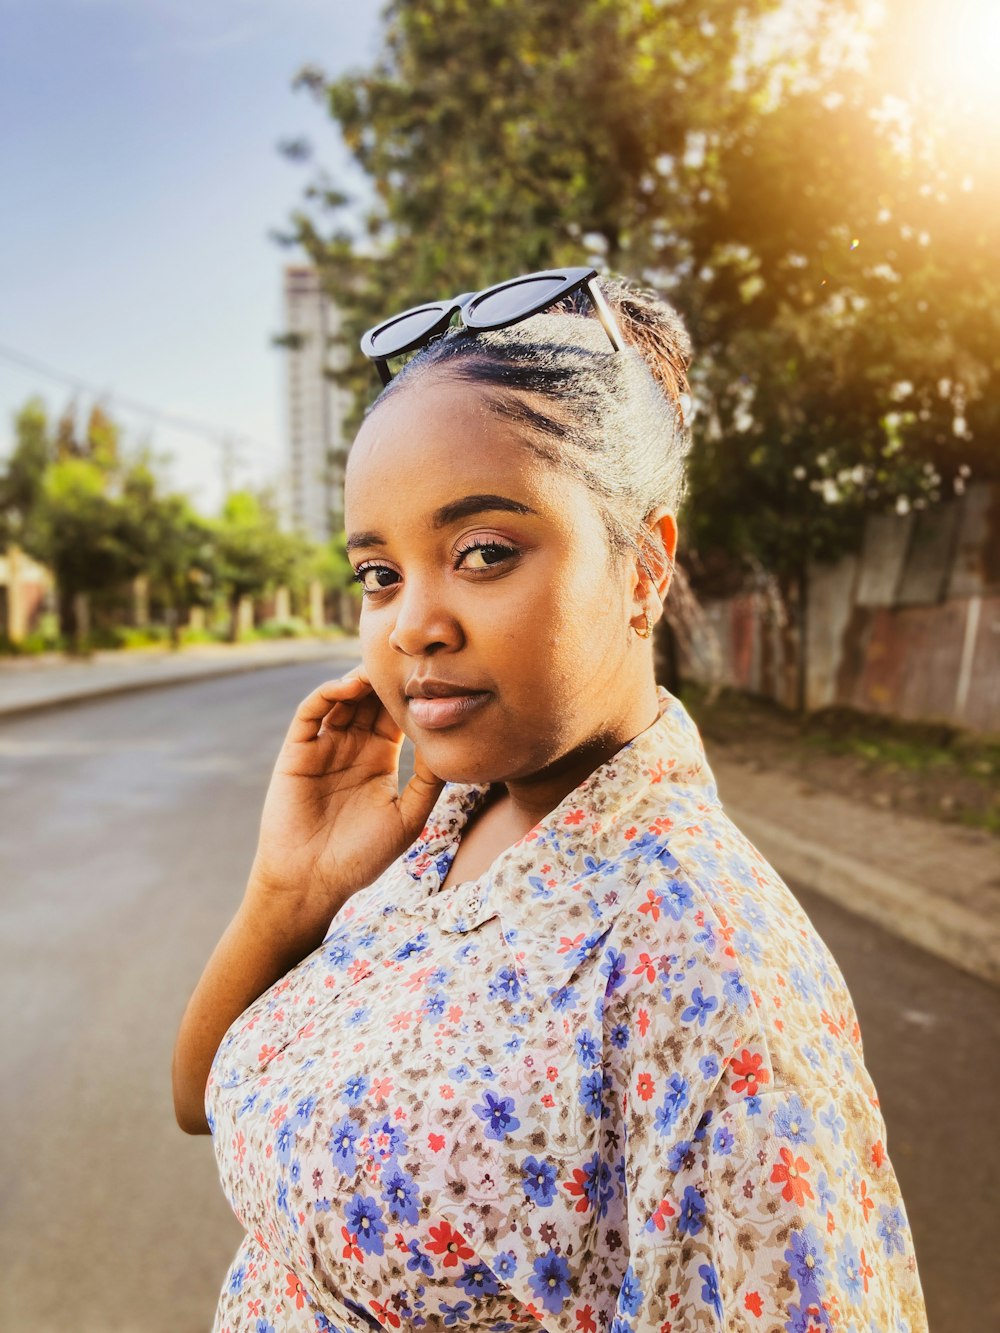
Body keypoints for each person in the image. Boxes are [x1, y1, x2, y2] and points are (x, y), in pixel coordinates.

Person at [173, 268, 928, 1333]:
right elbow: (202, 1098)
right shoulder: (443, 820)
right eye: (378, 573)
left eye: (482, 553)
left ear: (643, 569)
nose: (410, 625)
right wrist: (286, 891)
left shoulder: (703, 965)